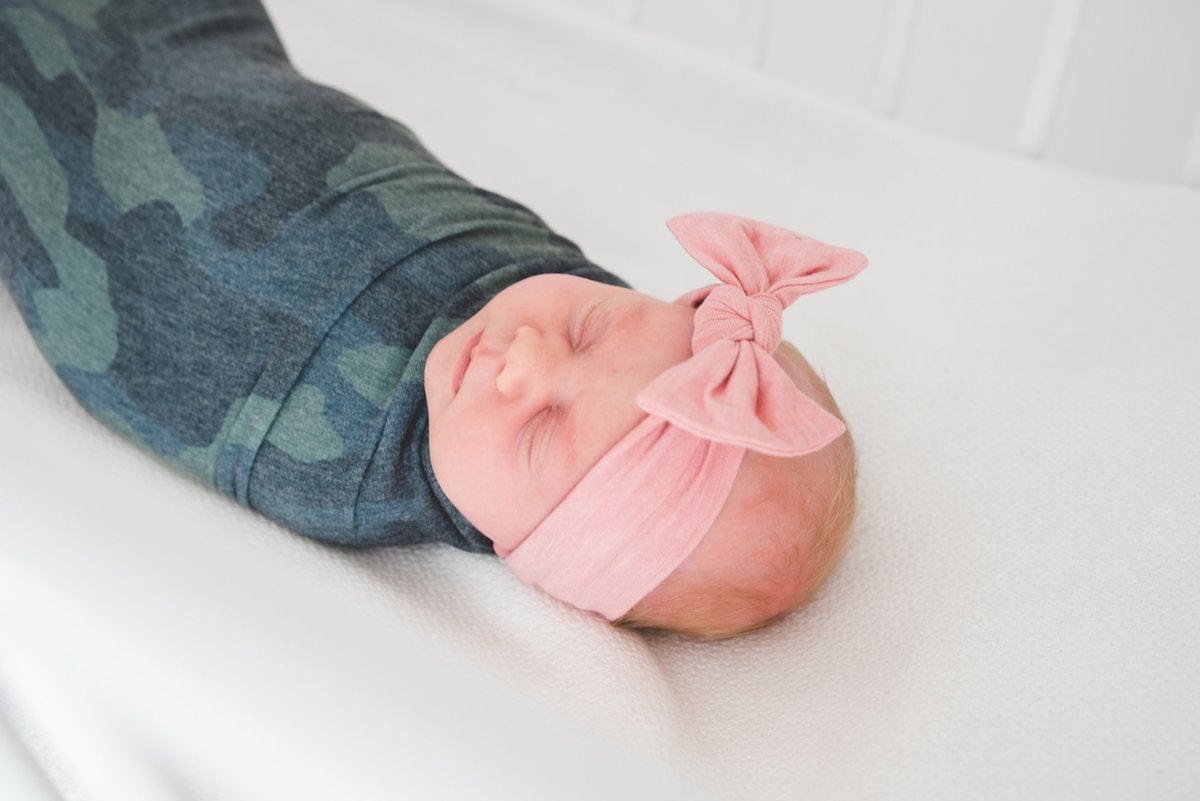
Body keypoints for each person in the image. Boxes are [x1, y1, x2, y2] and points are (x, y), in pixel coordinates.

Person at [0, 0, 866, 639]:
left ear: (533, 553)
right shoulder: (554, 291)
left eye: (543, 430)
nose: (523, 357)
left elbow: (133, 329)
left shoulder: (335, 468)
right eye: (589, 327)